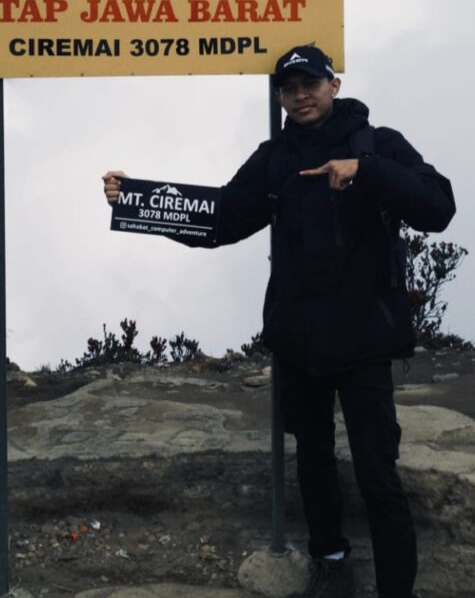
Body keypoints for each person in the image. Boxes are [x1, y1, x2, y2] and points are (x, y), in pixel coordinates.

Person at [102, 45, 455, 598]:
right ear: (279, 98)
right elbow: (221, 218)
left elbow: (439, 206)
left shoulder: (378, 143)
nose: (301, 95)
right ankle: (331, 565)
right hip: (300, 343)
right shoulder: (275, 158)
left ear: (334, 85)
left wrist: (366, 170)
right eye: (289, 88)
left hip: (365, 341)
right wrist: (135, 201)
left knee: (378, 475)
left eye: (310, 83)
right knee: (312, 461)